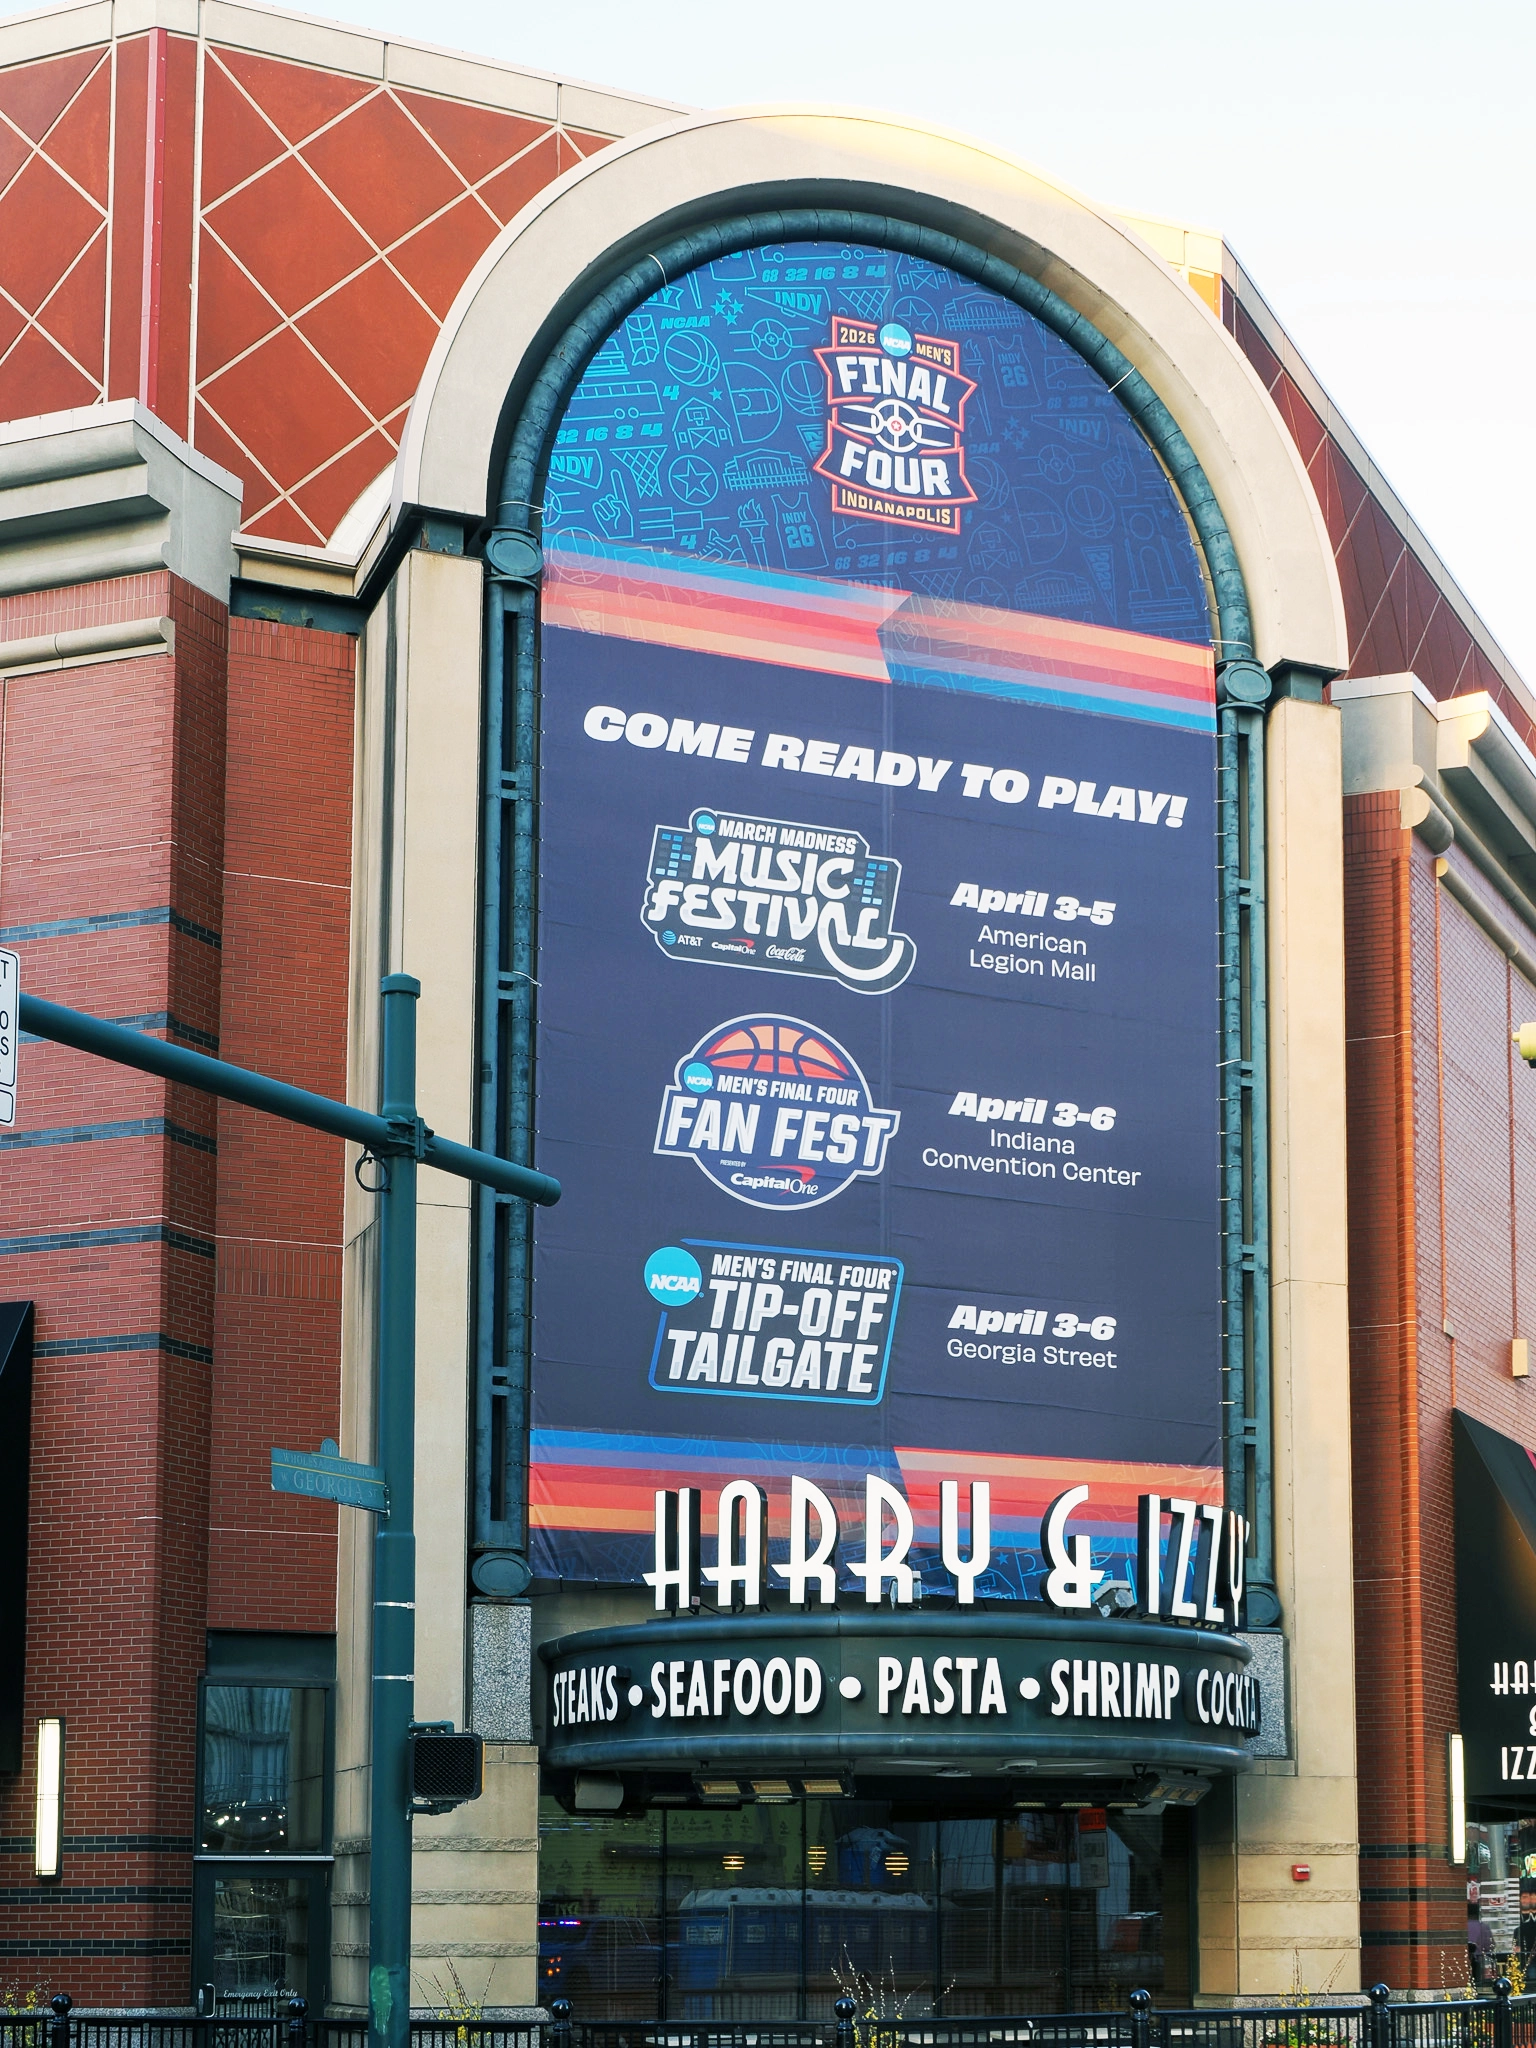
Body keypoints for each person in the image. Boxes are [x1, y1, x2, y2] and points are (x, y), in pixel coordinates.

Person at [1469, 1901, 1494, 1985]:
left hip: (1463, 1962)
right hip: (1479, 1961)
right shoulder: (1483, 1927)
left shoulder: (1460, 1927)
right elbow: (1490, 1946)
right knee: (1478, 1983)